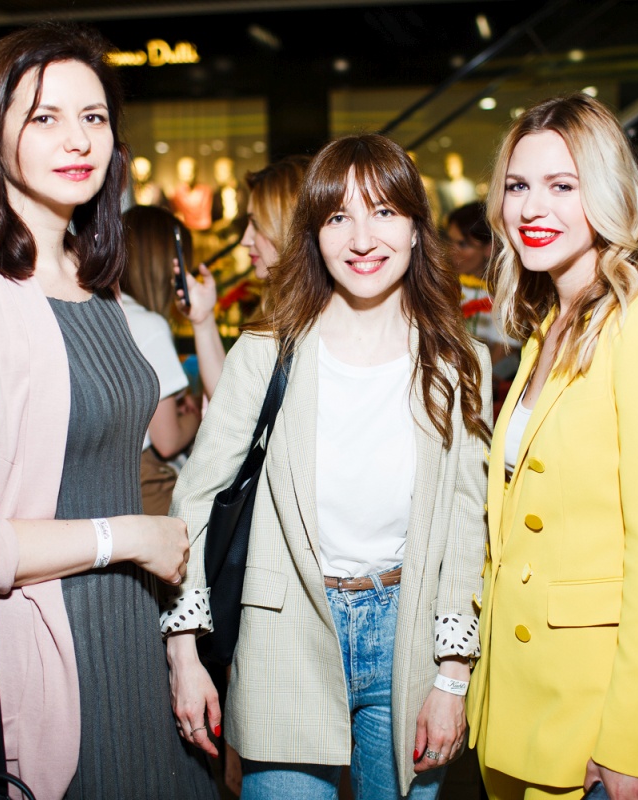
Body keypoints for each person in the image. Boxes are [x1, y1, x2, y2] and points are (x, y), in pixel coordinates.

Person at [0, 25, 218, 799]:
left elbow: (119, 470)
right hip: (46, 659)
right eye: (45, 117)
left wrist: (181, 649)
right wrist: (121, 537)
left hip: (137, 638)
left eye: (94, 117)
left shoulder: (96, 284)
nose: (78, 139)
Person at [166, 132, 492, 800]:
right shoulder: (268, 353)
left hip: (409, 633)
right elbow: (194, 500)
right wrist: (184, 651)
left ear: (415, 228)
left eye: (384, 212)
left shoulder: (458, 363)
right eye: (339, 216)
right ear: (314, 234)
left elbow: (467, 525)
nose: (362, 238)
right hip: (285, 629)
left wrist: (453, 676)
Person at [465, 94, 638, 800]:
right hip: (522, 702)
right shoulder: (548, 327)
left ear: (607, 194)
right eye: (518, 185)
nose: (532, 208)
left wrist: (633, 739)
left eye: (562, 185)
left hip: (595, 722)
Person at [176, 155, 309, 398]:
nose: (246, 239)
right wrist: (203, 319)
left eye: (256, 224)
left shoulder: (318, 325)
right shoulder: (280, 309)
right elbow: (232, 402)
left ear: (289, 227)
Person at [120, 205, 201, 515]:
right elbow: (167, 440)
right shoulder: (149, 325)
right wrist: (197, 416)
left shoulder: (105, 312)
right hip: (145, 482)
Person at [445, 201, 519, 371]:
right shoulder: (445, 284)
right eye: (450, 241)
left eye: (462, 244)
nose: (452, 251)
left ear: (489, 248)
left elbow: (504, 351)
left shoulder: (507, 294)